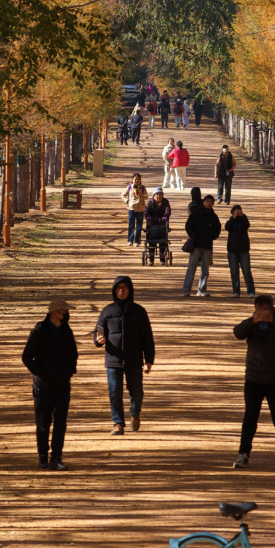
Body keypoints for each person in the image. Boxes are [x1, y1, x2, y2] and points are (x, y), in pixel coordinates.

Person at [232, 295, 275, 470]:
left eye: (265, 311)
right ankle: (243, 454)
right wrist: (252, 321)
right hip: (253, 379)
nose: (262, 314)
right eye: (259, 310)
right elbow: (237, 332)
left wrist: (273, 320)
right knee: (249, 419)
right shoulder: (251, 324)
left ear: (272, 309)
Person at [22, 296, 78, 470]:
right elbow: (26, 357)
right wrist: (40, 373)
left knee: (60, 423)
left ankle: (56, 457)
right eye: (65, 312)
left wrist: (70, 371)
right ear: (56, 314)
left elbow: (73, 354)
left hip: (62, 385)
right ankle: (43, 457)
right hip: (43, 387)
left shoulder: (67, 331)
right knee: (43, 423)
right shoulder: (39, 331)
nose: (68, 314)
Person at [94, 275, 155, 434]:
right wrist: (98, 339)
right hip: (113, 360)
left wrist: (149, 359)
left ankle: (135, 413)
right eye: (118, 288)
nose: (121, 290)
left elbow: (147, 337)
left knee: (136, 391)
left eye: (124, 287)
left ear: (130, 290)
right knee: (114, 392)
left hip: (134, 360)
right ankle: (118, 423)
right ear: (114, 290)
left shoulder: (139, 311)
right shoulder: (107, 311)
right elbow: (99, 330)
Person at [182, 193, 221, 298]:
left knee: (205, 269)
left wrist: (212, 237)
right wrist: (193, 235)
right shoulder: (196, 213)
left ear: (213, 204)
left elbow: (218, 228)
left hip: (207, 246)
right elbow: (188, 225)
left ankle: (202, 289)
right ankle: (187, 289)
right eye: (207, 201)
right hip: (196, 245)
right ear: (203, 202)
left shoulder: (213, 216)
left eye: (211, 202)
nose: (209, 203)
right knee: (191, 266)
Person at [225, 203, 255, 299]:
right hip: (232, 250)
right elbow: (227, 227)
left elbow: (247, 225)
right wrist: (233, 218)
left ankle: (250, 291)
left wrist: (243, 216)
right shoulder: (230, 221)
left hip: (243, 250)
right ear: (232, 212)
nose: (237, 213)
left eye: (239, 211)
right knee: (234, 273)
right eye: (235, 211)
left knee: (247, 272)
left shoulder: (243, 220)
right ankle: (236, 291)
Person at [144, 188, 171, 263]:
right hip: (152, 225)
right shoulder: (150, 202)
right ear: (153, 196)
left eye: (160, 194)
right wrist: (148, 217)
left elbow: (168, 210)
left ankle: (162, 259)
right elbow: (146, 211)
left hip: (162, 225)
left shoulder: (165, 202)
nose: (158, 196)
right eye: (156, 195)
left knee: (162, 243)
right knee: (151, 243)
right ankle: (151, 260)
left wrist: (165, 216)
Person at [122, 172, 148, 245]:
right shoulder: (129, 187)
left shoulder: (143, 188)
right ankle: (130, 240)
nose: (136, 181)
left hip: (140, 209)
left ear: (140, 180)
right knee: (131, 225)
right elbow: (122, 195)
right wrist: (127, 201)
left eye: (138, 180)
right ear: (132, 180)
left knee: (139, 226)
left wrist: (141, 195)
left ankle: (137, 241)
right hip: (131, 208)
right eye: (135, 179)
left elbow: (146, 197)